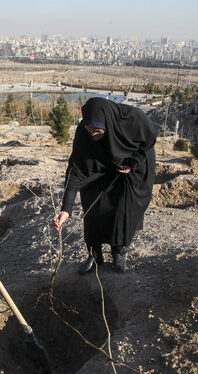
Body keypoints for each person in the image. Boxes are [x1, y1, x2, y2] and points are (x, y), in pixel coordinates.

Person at [52, 97, 157, 274]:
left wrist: (133, 162)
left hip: (130, 167)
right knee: (93, 206)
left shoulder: (134, 119)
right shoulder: (84, 135)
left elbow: (148, 141)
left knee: (122, 209)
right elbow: (76, 169)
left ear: (109, 122)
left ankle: (118, 252)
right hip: (99, 167)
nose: (93, 135)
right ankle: (94, 255)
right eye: (89, 130)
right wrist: (66, 208)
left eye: (97, 131)